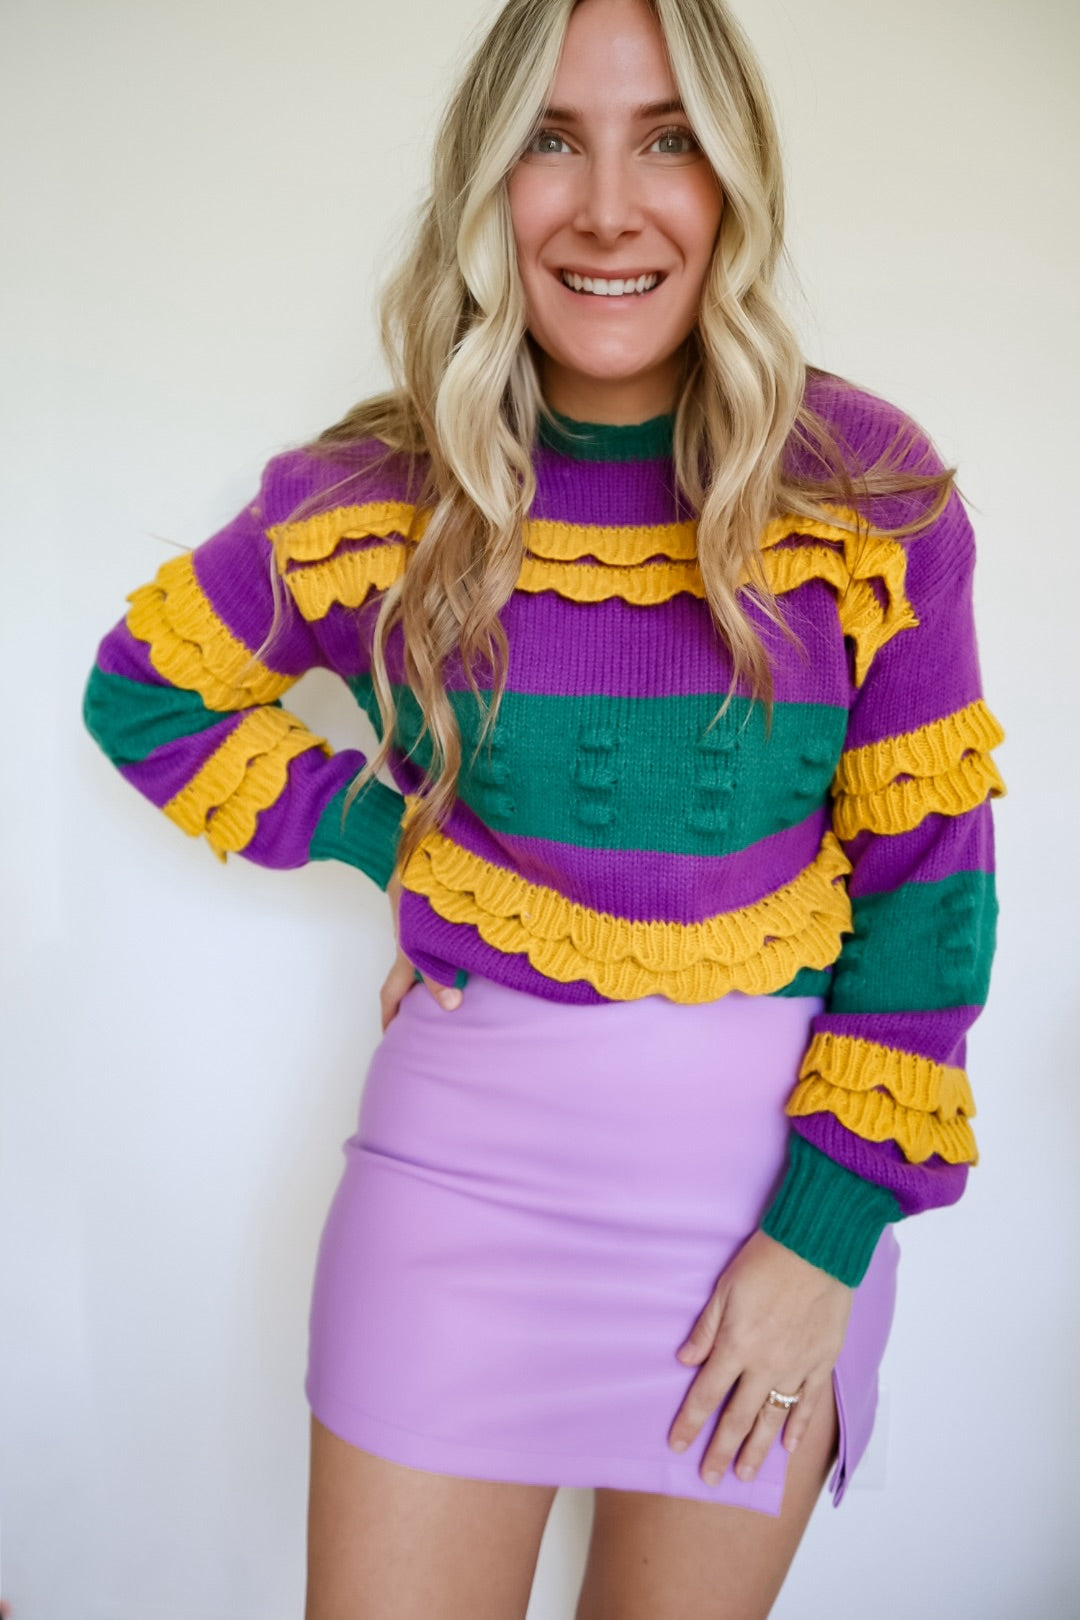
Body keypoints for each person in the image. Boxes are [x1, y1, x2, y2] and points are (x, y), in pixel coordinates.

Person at [82, 0, 1003, 1615]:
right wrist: (396, 842)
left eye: (669, 141)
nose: (607, 208)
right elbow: (146, 690)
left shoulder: (866, 493)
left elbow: (932, 892)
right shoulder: (376, 497)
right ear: (486, 184)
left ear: (734, 181)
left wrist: (825, 1240)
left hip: (768, 1212)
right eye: (552, 142)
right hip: (456, 1200)